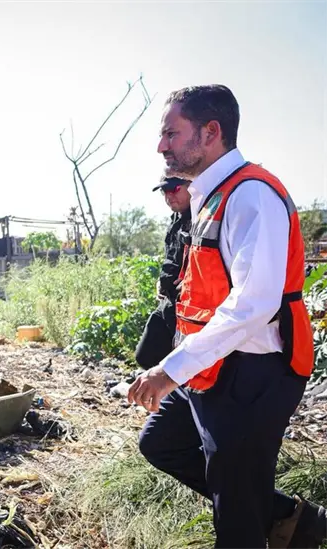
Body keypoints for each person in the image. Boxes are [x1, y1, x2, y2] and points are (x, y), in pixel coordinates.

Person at [127, 84, 325, 548]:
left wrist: (168, 371)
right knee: (161, 444)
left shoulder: (251, 195)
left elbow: (252, 305)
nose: (161, 146)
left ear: (211, 132)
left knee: (235, 518)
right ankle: (290, 519)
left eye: (171, 133)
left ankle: (260, 519)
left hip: (253, 374)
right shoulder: (210, 195)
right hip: (211, 366)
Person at [134, 175, 192, 369]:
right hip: (168, 302)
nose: (169, 196)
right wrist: (161, 281)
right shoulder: (176, 217)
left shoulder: (204, 217)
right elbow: (172, 256)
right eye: (164, 191)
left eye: (175, 189)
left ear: (191, 185)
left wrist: (191, 282)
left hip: (190, 308)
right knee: (146, 356)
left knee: (184, 368)